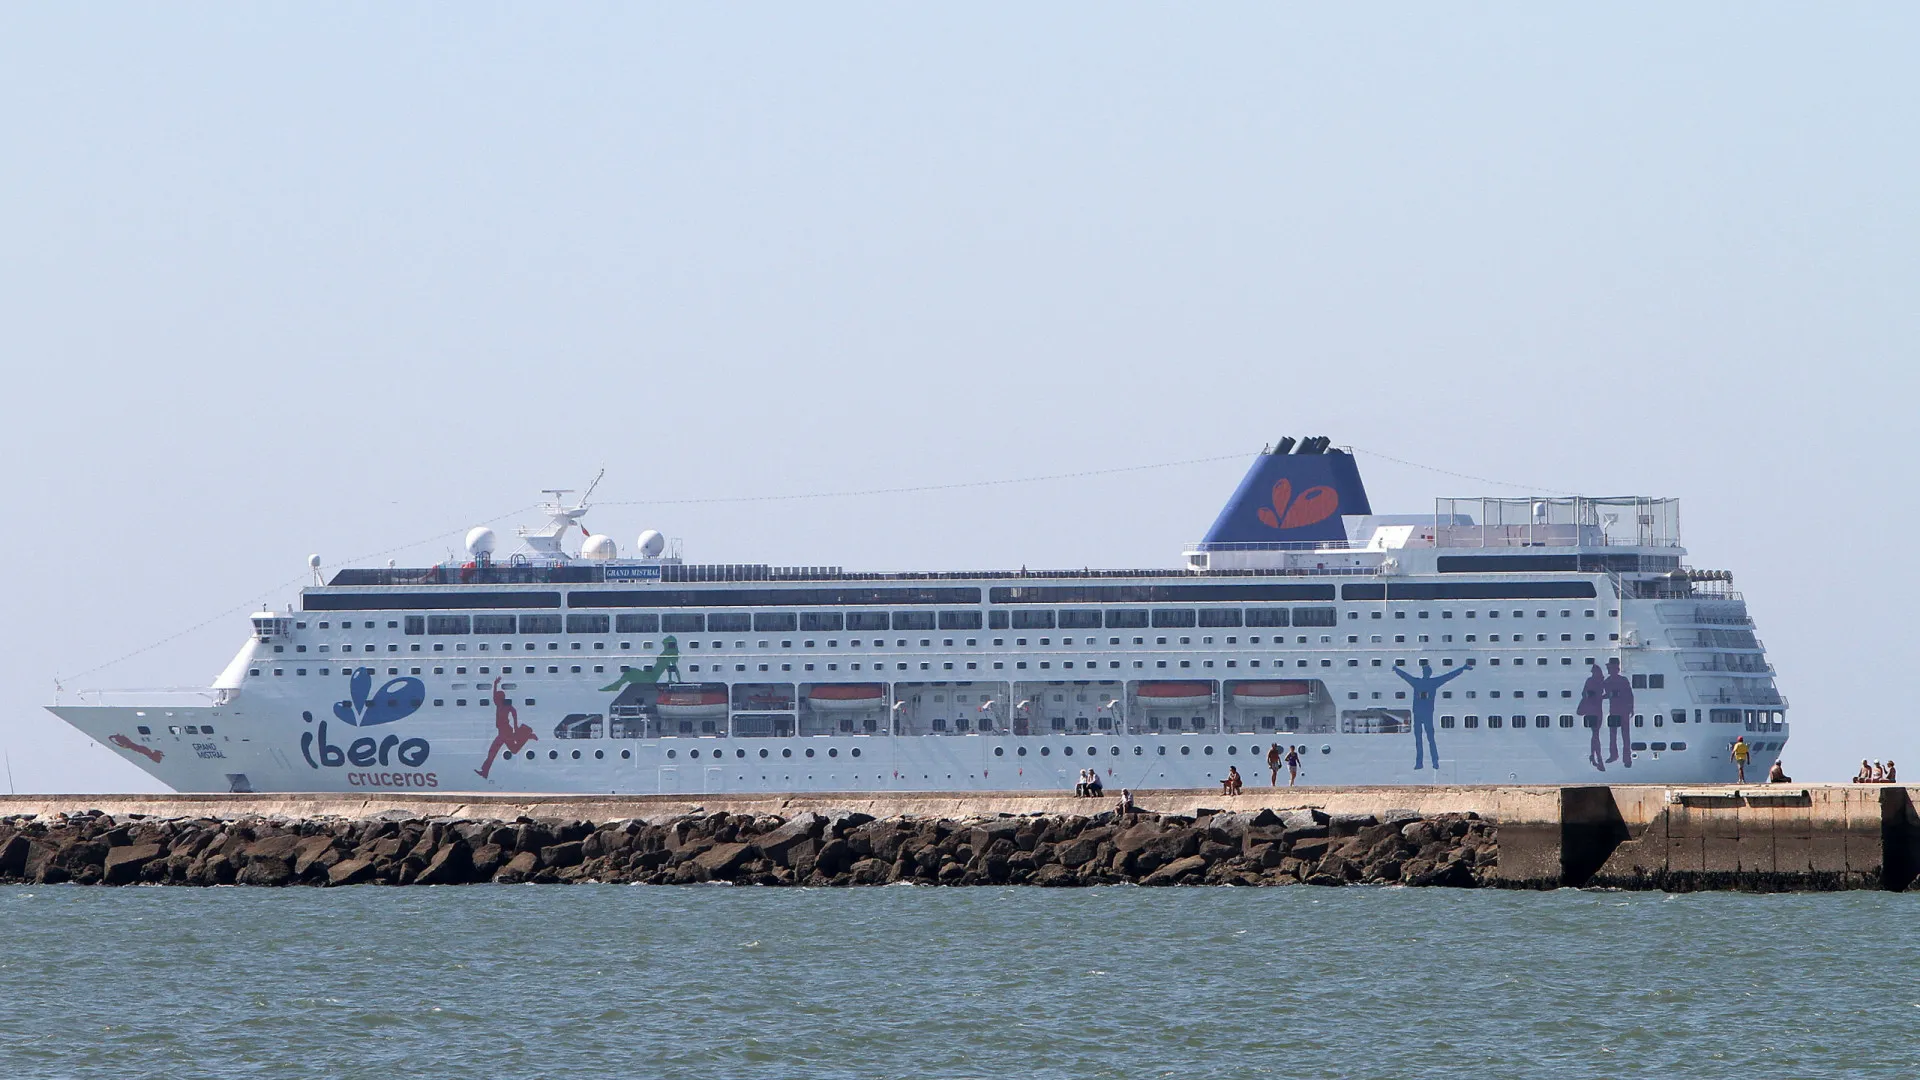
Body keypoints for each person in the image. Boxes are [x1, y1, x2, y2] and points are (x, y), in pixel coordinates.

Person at [1392, 660, 1469, 771]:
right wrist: (1462, 669)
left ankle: (1420, 763)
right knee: (1430, 739)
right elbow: (1448, 676)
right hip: (1426, 714)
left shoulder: (1417, 682)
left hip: (1419, 714)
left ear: (1424, 673)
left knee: (1420, 740)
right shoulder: (1433, 682)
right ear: (1429, 673)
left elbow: (1406, 676)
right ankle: (1434, 762)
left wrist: (1396, 670)